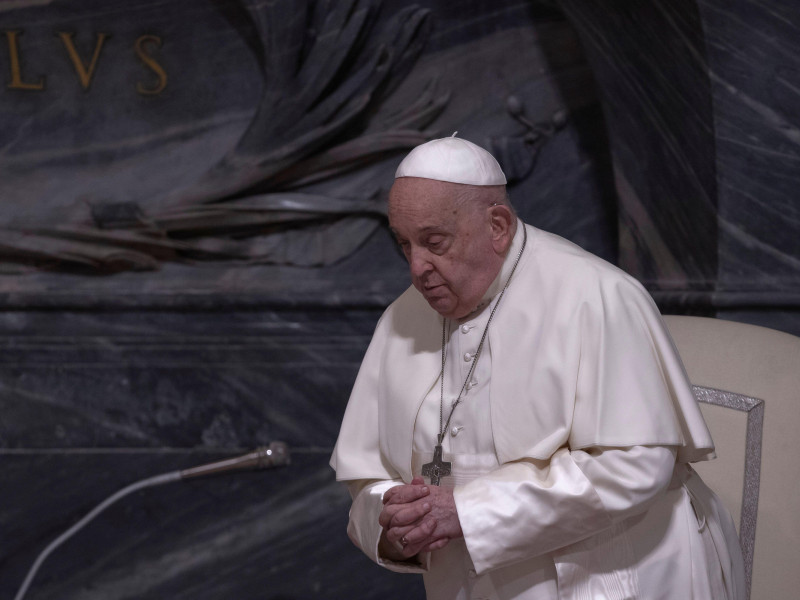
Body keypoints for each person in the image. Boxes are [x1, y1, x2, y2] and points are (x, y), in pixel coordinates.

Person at [330, 136, 745, 600]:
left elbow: (635, 466)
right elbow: (367, 477)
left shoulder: (596, 295)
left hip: (616, 573)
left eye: (434, 242)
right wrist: (395, 524)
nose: (417, 267)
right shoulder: (402, 320)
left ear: (498, 225)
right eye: (404, 245)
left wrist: (467, 513)